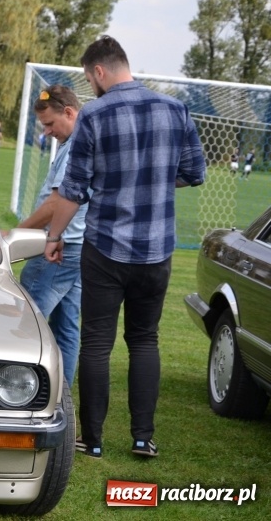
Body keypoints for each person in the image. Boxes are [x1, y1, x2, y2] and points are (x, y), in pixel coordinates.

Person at [43, 36, 206, 459]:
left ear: (98, 71)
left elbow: (73, 190)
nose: (90, 85)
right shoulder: (176, 109)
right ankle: (142, 438)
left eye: (88, 77)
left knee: (97, 342)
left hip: (106, 246)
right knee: (145, 340)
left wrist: (54, 236)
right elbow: (193, 172)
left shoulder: (94, 114)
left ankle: (92, 440)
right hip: (156, 250)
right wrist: (150, 182)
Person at [17, 86, 85, 388]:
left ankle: (20, 401)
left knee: (25, 326)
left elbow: (58, 203)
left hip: (58, 249)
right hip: (81, 247)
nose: (46, 133)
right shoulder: (83, 140)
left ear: (69, 112)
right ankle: (62, 403)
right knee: (66, 331)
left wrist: (21, 231)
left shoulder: (76, 147)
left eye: (50, 124)